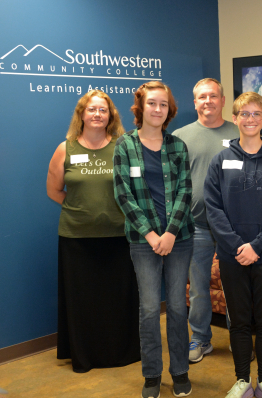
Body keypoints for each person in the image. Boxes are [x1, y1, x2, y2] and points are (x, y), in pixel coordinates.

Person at [204, 92, 262, 398]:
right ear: (235, 118)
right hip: (232, 256)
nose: (251, 119)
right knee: (239, 322)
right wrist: (236, 245)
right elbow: (212, 208)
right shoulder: (221, 159)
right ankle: (242, 381)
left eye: (257, 114)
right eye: (245, 114)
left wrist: (256, 246)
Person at [46, 90, 140, 373]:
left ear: (111, 115)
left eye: (103, 110)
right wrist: (82, 209)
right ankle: (84, 356)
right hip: (77, 239)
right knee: (82, 303)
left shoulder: (124, 147)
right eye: (92, 109)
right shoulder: (66, 148)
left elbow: (135, 189)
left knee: (117, 301)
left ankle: (120, 354)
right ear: (82, 114)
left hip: (119, 237)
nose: (97, 114)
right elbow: (53, 190)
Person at [113, 81, 194, 398]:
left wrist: (170, 233)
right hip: (142, 241)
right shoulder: (125, 146)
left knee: (176, 307)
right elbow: (123, 193)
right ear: (140, 108)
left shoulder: (177, 146)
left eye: (163, 104)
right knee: (148, 310)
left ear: (168, 110)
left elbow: (185, 192)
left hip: (179, 239)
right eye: (152, 103)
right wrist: (151, 234)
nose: (157, 109)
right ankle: (151, 375)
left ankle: (180, 371)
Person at [172, 78, 240, 364]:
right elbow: (172, 182)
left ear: (223, 100)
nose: (208, 101)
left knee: (237, 285)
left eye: (213, 96)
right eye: (202, 97)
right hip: (195, 225)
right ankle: (200, 339)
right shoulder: (179, 136)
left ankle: (239, 337)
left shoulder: (239, 133)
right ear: (195, 101)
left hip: (234, 226)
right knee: (198, 287)